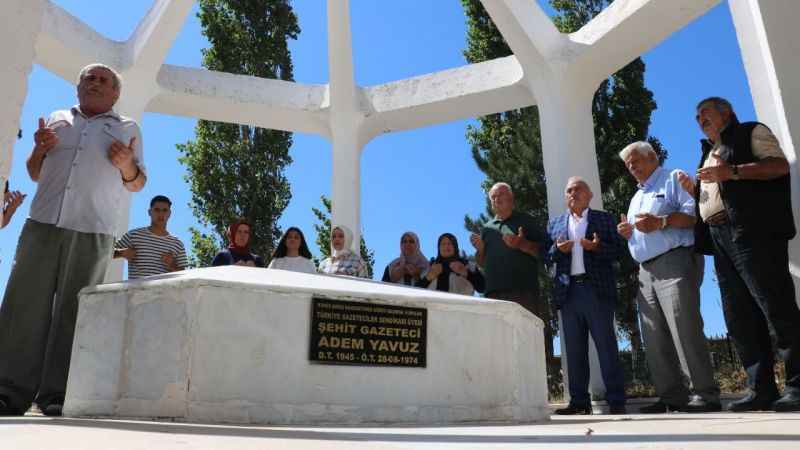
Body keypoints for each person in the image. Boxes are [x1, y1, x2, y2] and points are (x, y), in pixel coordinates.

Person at [0, 63, 146, 417]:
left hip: (92, 231)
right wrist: (38, 150)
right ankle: (8, 392)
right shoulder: (56, 118)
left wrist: (127, 163)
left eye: (103, 80)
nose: (95, 83)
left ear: (116, 93)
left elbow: (137, 182)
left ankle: (56, 395)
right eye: (89, 78)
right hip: (42, 224)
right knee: (23, 308)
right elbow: (35, 173)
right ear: (78, 86)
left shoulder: (127, 128)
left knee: (74, 313)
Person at [679, 97, 800, 412]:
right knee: (739, 317)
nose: (699, 118)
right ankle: (760, 389)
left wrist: (731, 171)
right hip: (719, 238)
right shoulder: (708, 151)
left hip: (752, 231)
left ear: (727, 113)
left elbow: (778, 165)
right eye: (696, 115)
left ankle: (798, 386)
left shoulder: (751, 132)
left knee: (776, 307)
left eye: (705, 112)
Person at [617, 141, 720, 413]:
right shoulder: (636, 196)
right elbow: (642, 230)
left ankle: (704, 395)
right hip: (644, 270)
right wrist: (630, 233)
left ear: (652, 157)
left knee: (684, 327)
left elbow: (694, 216)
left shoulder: (673, 178)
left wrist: (660, 222)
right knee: (654, 338)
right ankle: (671, 397)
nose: (632, 167)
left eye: (635, 160)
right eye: (628, 164)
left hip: (675, 261)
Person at [545, 177, 626, 415]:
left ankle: (616, 400)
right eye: (569, 190)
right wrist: (557, 250)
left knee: (606, 347)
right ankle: (579, 401)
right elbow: (547, 255)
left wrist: (596, 248)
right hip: (568, 292)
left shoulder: (603, 218)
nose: (573, 193)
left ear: (590, 195)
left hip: (596, 290)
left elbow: (620, 251)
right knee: (574, 350)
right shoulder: (555, 224)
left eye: (578, 189)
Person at [470, 182, 546, 322]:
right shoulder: (486, 229)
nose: (496, 199)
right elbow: (482, 263)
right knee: (497, 341)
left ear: (511, 198)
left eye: (500, 195)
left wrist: (523, 244)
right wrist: (481, 250)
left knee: (525, 338)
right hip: (493, 295)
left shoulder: (527, 221)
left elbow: (545, 252)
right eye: (493, 197)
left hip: (523, 293)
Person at [113, 195, 188, 279]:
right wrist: (121, 253)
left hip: (164, 291)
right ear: (149, 212)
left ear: (169, 213)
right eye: (157, 210)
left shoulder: (177, 244)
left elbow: (183, 275)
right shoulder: (134, 235)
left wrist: (172, 265)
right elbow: (106, 253)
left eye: (164, 210)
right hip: (135, 291)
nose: (161, 214)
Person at [417, 233, 485, 296]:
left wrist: (467, 273)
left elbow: (482, 288)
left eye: (450, 243)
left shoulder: (468, 265)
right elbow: (415, 291)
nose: (446, 246)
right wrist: (427, 278)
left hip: (461, 307)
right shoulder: (429, 267)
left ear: (455, 246)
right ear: (439, 247)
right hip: (432, 307)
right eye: (443, 244)